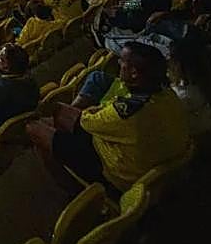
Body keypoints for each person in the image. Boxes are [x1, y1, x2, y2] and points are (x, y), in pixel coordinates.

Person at [27, 42, 190, 191]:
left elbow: (86, 120)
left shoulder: (128, 111)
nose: (118, 63)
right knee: (59, 110)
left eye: (122, 61)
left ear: (134, 73)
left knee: (33, 128)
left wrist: (97, 110)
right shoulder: (168, 95)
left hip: (117, 174)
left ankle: (71, 187)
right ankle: (63, 146)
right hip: (143, 159)